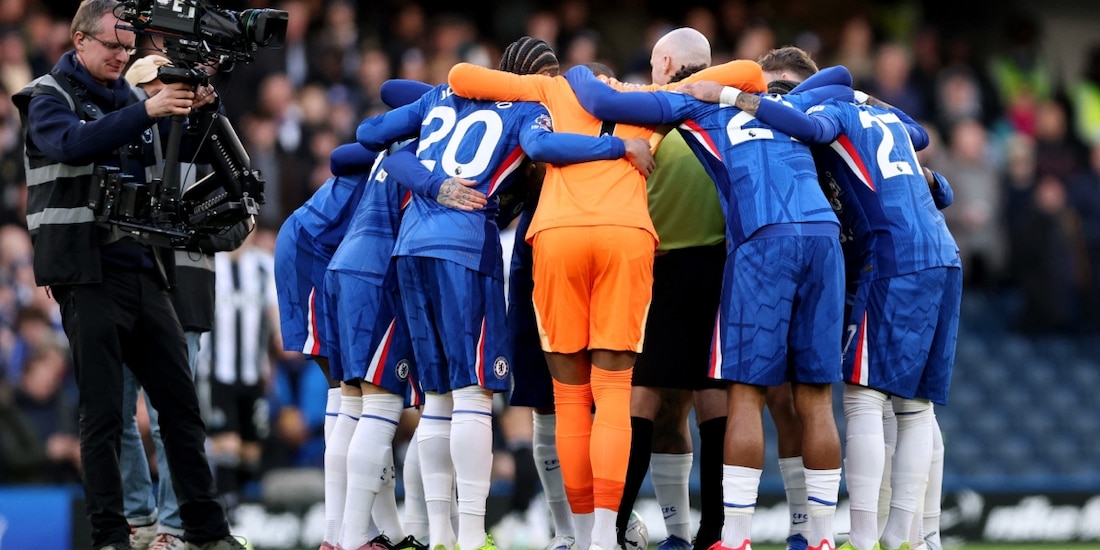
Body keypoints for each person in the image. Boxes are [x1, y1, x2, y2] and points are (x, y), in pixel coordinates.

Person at [447, 42, 766, 550]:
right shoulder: (656, 100)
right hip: (626, 237)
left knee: (571, 399)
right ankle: (602, 538)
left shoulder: (551, 89)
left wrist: (573, 84)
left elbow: (462, 76)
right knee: (614, 394)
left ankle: (577, 536)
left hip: (557, 238)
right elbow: (751, 71)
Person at [359, 36, 656, 550]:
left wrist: (431, 182)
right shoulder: (533, 112)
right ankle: (486, 536)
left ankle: (434, 534)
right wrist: (617, 146)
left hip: (412, 245)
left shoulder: (437, 99)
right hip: (479, 249)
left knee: (436, 400)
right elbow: (541, 148)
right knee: (497, 397)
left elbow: (372, 134)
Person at [565, 59, 850, 550]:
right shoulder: (787, 104)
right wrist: (748, 90)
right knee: (813, 399)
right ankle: (819, 537)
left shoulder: (691, 101)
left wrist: (568, 75)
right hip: (819, 238)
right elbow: (841, 76)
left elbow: (602, 102)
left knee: (733, 395)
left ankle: (725, 538)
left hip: (750, 243)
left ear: (671, 67)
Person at [691, 63, 962, 550]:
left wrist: (735, 98)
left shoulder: (817, 122)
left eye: (782, 89)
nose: (776, 99)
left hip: (877, 266)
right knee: (913, 410)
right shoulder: (869, 121)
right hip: (921, 257)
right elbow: (934, 174)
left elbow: (822, 126)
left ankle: (873, 537)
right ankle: (912, 538)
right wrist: (871, 105)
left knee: (865, 402)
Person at [11, 1, 243, 549]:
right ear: (78, 41)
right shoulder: (47, 96)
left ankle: (207, 534)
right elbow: (71, 143)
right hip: (84, 272)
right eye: (111, 45)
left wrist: (200, 108)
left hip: (143, 265)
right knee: (102, 415)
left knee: (181, 409)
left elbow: (182, 158)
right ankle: (113, 535)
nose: (121, 55)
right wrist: (153, 108)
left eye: (128, 46)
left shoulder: (139, 102)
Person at [118, 53, 252, 550]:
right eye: (155, 85)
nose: (169, 92)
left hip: (185, 294)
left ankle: (172, 527)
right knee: (113, 410)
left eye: (171, 83)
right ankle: (138, 516)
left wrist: (181, 227)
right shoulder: (122, 144)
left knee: (172, 416)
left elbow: (244, 220)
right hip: (127, 288)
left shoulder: (209, 137)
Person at [608, 28, 728, 550]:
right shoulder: (728, 114)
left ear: (665, 61)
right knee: (712, 399)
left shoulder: (646, 110)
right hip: (722, 267)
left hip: (655, 267)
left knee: (644, 400)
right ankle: (713, 534)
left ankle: (611, 529)